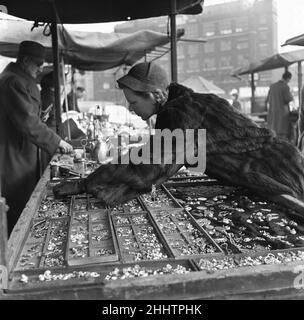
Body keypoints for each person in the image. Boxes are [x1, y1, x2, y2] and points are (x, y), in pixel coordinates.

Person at [54, 62, 304, 205]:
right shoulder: (190, 102)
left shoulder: (177, 113)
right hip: (282, 158)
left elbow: (150, 166)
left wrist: (87, 183)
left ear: (153, 95)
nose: (131, 108)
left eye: (134, 102)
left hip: (276, 170)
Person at [0, 41, 73, 234]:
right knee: (18, 199)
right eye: (38, 64)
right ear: (25, 61)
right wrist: (57, 142)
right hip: (14, 153)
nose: (40, 69)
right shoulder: (12, 81)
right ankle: (15, 242)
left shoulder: (18, 78)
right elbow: (27, 121)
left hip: (23, 149)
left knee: (24, 196)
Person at [265, 71, 293, 140]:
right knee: (282, 137)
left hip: (272, 116)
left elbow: (267, 99)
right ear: (288, 79)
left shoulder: (272, 86)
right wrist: (291, 96)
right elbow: (288, 99)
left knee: (273, 136)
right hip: (282, 116)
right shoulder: (285, 86)